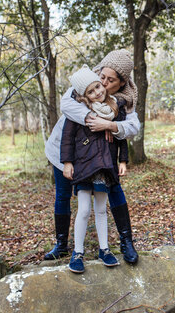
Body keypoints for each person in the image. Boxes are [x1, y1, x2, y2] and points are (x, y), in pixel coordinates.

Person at [44, 49, 140, 264]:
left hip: (99, 158)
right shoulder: (86, 82)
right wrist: (92, 118)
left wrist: (110, 124)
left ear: (122, 83)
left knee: (114, 190)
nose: (103, 83)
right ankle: (61, 245)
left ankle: (126, 242)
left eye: (110, 80)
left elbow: (134, 126)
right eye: (102, 76)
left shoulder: (125, 100)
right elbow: (66, 105)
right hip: (63, 150)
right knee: (62, 195)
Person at [61, 66, 126, 273]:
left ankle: (104, 249)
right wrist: (67, 162)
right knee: (84, 209)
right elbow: (67, 138)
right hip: (83, 167)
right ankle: (77, 252)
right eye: (91, 91)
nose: (97, 92)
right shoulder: (79, 113)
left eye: (98, 87)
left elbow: (121, 137)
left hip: (104, 167)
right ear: (84, 96)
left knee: (100, 209)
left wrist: (123, 161)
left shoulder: (113, 109)